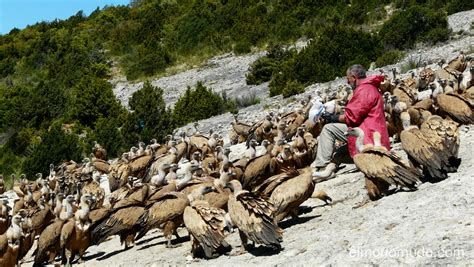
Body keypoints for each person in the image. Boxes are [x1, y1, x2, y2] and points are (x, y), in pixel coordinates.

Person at [312, 64, 390, 179]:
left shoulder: (364, 90)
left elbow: (352, 117)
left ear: (354, 77)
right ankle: (328, 171)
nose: (348, 83)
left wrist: (332, 117)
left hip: (368, 136)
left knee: (328, 129)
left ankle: (321, 167)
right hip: (376, 134)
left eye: (348, 79)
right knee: (339, 153)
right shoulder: (371, 87)